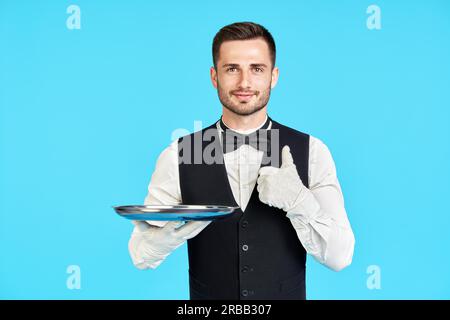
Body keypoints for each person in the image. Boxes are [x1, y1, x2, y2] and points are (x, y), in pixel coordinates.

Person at [128, 22, 355, 300]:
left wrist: (299, 200)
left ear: (274, 76)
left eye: (257, 69)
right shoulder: (178, 154)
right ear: (214, 77)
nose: (244, 82)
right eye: (232, 69)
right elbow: (140, 255)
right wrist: (164, 238)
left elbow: (340, 256)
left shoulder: (313, 152)